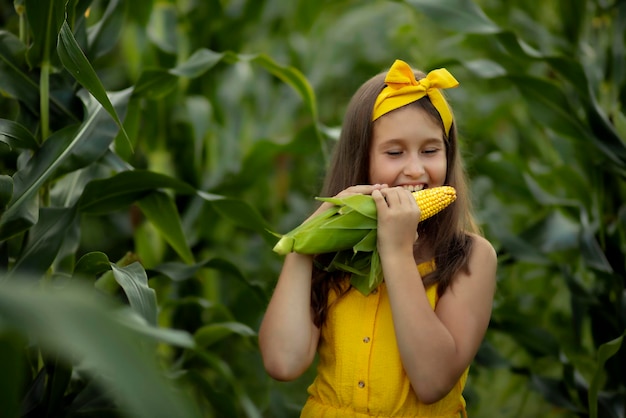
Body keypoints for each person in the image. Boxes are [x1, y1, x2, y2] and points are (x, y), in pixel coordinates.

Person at [259, 59, 497, 417]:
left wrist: (397, 252)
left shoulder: (470, 256)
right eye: (394, 152)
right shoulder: (332, 252)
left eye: (431, 151)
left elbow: (432, 382)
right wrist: (304, 242)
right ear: (361, 161)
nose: (415, 169)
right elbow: (283, 362)